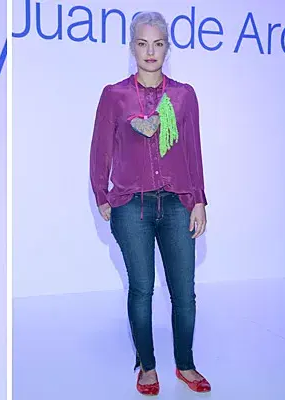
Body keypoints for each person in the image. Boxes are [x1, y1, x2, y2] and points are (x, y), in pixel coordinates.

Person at [90, 11, 211, 396]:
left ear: (167, 47)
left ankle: (186, 364)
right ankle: (147, 364)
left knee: (184, 292)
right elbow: (100, 149)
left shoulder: (183, 95)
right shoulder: (115, 95)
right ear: (131, 47)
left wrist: (199, 200)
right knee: (141, 289)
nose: (150, 51)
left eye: (158, 43)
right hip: (131, 207)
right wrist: (101, 195)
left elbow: (193, 151)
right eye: (142, 43)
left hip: (177, 203)